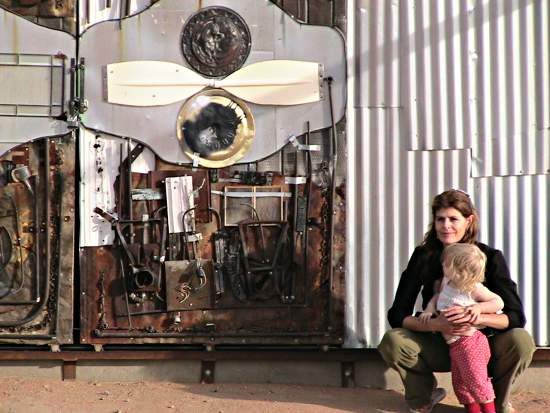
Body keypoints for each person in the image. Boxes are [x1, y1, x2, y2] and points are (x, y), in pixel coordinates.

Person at [377, 189, 535, 413]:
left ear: (469, 220)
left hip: (480, 345)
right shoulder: (424, 256)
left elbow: (515, 316)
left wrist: (477, 316)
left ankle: (498, 401)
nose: (445, 226)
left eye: (453, 219)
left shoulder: (488, 258)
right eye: (440, 219)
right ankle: (423, 396)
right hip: (441, 343)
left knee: (521, 340)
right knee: (393, 341)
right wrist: (435, 324)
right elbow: (397, 314)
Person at [419, 243, 504, 413]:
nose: (442, 265)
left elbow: (498, 302)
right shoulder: (447, 283)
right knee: (461, 383)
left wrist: (479, 309)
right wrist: (429, 309)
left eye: (446, 263)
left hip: (470, 343)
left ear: (460, 269)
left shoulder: (472, 288)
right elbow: (437, 297)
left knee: (477, 381)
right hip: (455, 345)